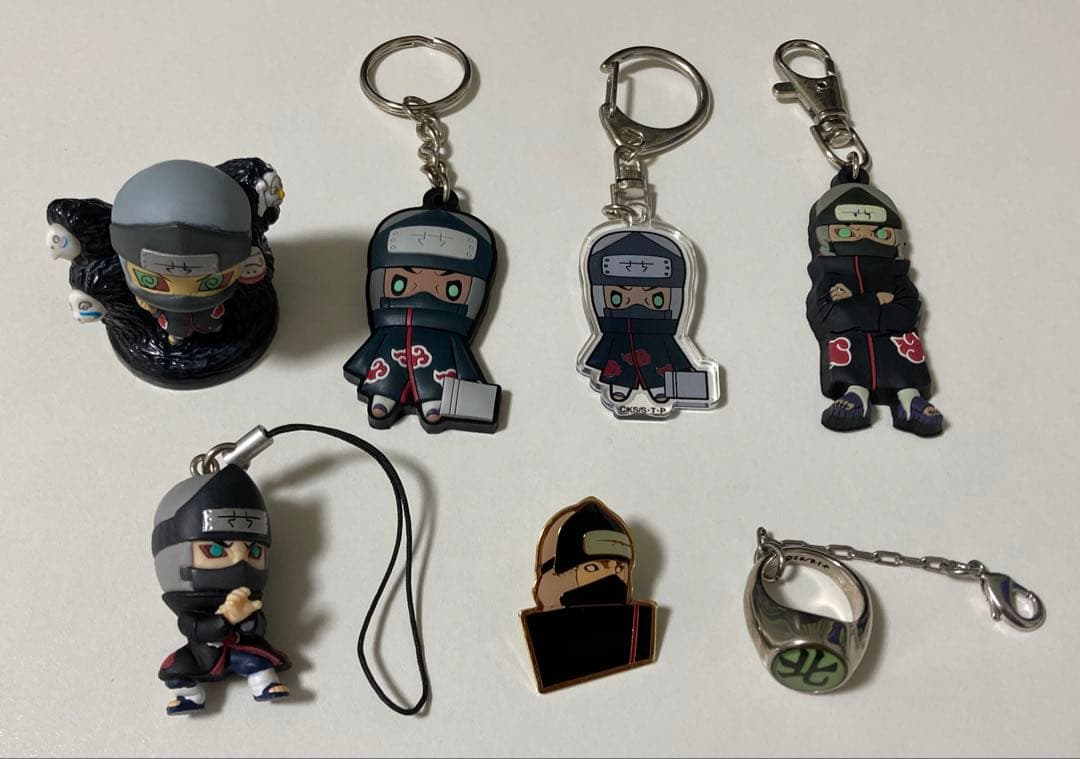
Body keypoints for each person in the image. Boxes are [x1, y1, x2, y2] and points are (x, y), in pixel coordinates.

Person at [806, 179, 944, 436]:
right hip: (850, 345)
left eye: (879, 233)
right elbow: (829, 314)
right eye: (846, 232)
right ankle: (855, 392)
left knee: (901, 348)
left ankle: (909, 398)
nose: (864, 236)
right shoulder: (829, 275)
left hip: (897, 343)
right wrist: (877, 300)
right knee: (847, 343)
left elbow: (907, 312)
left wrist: (855, 303)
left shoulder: (897, 275)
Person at [151, 465, 290, 715]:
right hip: (202, 656)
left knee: (258, 660)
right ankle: (189, 695)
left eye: (254, 551)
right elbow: (195, 628)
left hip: (238, 652)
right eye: (215, 550)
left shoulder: (248, 597)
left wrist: (249, 620)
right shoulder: (191, 611)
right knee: (176, 668)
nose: (240, 561)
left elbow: (257, 628)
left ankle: (264, 684)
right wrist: (226, 619)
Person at [520, 498, 656, 692]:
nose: (611, 577)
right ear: (558, 578)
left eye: (619, 568)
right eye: (593, 568)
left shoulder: (639, 630)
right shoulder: (545, 642)